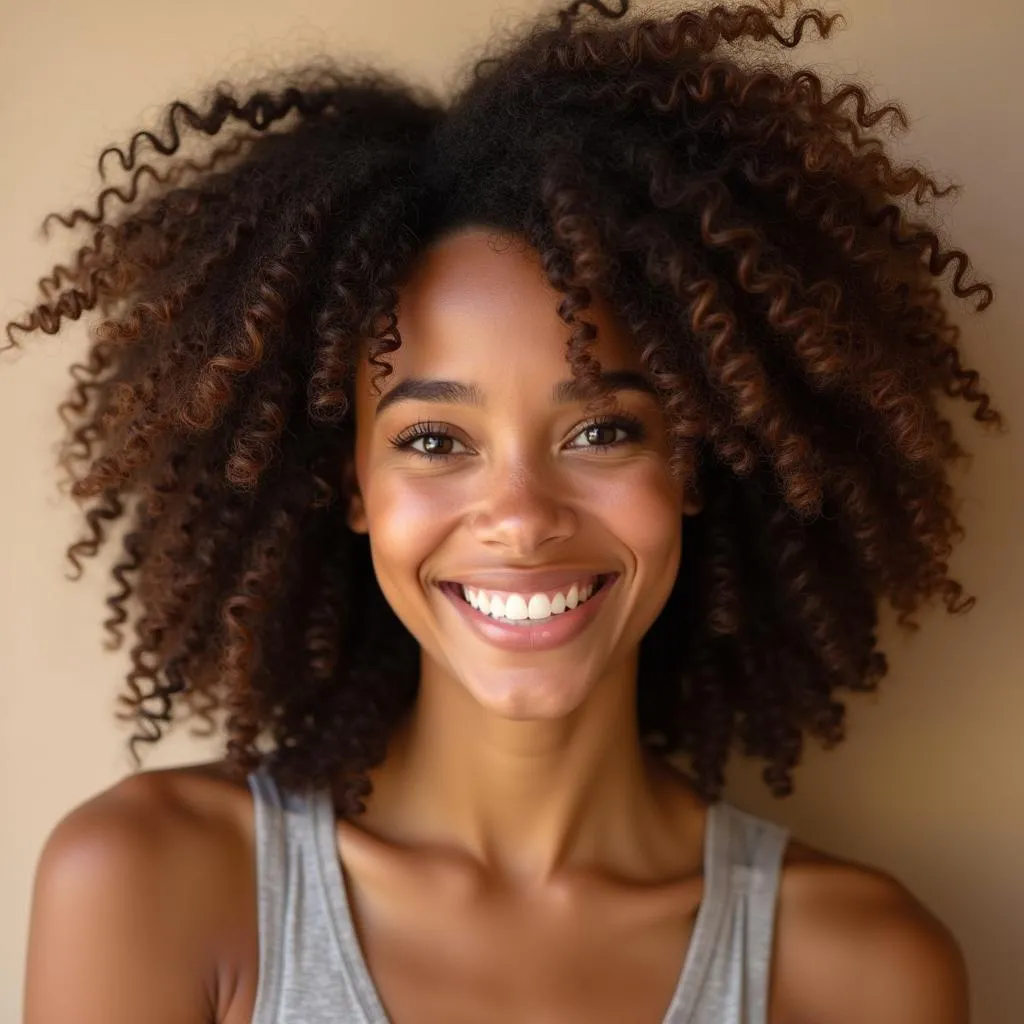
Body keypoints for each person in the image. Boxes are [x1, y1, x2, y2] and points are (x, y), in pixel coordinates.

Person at [10, 1, 998, 1021]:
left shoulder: (857, 970)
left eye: (602, 431)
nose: (521, 518)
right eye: (434, 442)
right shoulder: (155, 884)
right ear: (352, 485)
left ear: (694, 462)